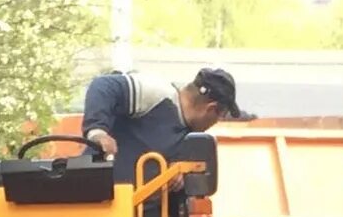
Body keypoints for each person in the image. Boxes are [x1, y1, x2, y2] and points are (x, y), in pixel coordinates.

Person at [80, 65, 250, 181]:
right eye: (220, 116)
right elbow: (103, 85)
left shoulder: (188, 139)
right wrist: (97, 131)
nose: (216, 122)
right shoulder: (156, 94)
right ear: (211, 109)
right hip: (96, 202)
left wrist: (177, 178)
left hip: (137, 215)